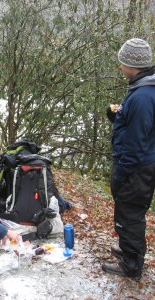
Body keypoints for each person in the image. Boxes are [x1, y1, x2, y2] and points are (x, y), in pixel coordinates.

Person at [102, 38, 155, 278]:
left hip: (137, 167)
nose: (120, 67)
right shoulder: (143, 86)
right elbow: (140, 126)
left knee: (130, 213)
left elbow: (136, 142)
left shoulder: (143, 95)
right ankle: (127, 249)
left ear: (132, 65)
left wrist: (122, 173)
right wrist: (118, 116)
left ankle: (131, 264)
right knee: (127, 211)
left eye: (122, 62)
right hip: (140, 163)